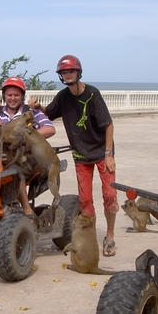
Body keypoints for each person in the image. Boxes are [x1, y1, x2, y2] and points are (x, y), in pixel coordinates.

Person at [28, 55, 118, 257]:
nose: (68, 74)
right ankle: (91, 238)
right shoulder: (63, 97)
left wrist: (109, 153)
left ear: (79, 72)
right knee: (85, 200)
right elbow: (49, 113)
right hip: (81, 155)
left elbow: (108, 124)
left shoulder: (93, 94)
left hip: (102, 152)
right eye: (64, 72)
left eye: (71, 71)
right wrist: (37, 106)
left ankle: (110, 235)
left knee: (110, 195)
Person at [0, 76, 56, 219]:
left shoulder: (30, 112)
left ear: (22, 96)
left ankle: (27, 211)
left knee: (14, 172)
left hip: (25, 158)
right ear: (4, 96)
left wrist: (25, 137)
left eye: (16, 95)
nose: (12, 98)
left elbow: (50, 129)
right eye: (9, 95)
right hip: (2, 156)